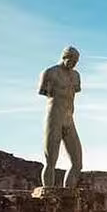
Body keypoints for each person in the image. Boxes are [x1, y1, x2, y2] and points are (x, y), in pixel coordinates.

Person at [38, 46, 83, 188]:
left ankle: (69, 194)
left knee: (77, 163)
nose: (74, 63)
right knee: (51, 160)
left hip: (69, 120)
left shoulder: (76, 76)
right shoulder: (50, 73)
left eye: (76, 61)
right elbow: (44, 92)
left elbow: (74, 91)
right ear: (64, 57)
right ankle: (48, 194)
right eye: (71, 59)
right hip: (54, 118)